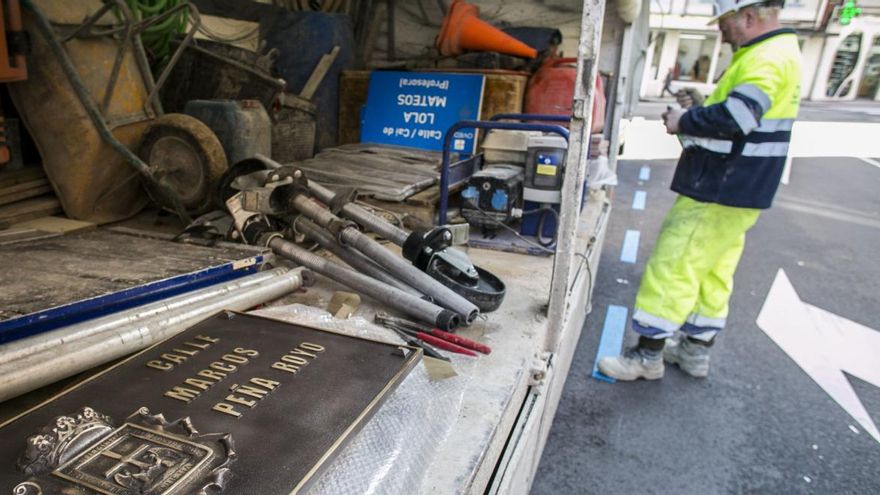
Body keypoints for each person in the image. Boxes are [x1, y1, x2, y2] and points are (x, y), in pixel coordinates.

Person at [598, 0, 801, 381]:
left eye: (724, 23)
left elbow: (738, 118)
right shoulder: (778, 52)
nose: (720, 32)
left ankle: (647, 356)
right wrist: (705, 107)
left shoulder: (765, 57)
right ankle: (694, 351)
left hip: (719, 185)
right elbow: (746, 122)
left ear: (748, 16)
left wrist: (684, 119)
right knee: (713, 271)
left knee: (675, 263)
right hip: (742, 188)